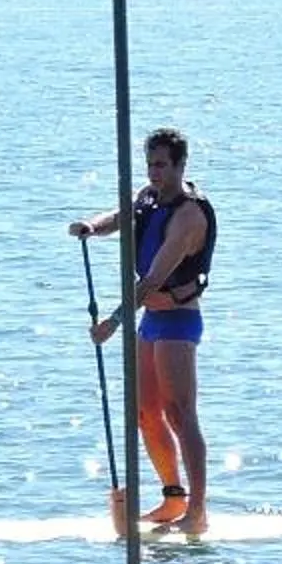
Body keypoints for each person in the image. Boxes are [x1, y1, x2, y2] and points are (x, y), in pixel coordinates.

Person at [70, 127, 217, 535]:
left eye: (162, 165)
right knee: (145, 414)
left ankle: (199, 511)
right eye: (150, 164)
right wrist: (91, 228)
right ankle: (173, 498)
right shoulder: (148, 197)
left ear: (180, 165)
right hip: (151, 321)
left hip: (177, 321)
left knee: (180, 413)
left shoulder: (189, 215)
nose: (154, 172)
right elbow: (121, 216)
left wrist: (113, 323)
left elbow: (152, 281)